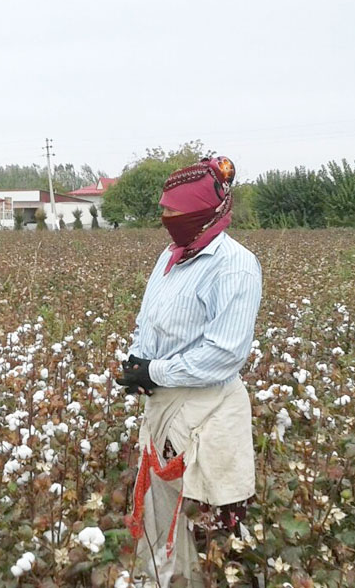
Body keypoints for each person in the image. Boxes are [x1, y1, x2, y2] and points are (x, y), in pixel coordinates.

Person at [118, 157, 262, 587]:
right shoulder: (170, 257)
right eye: (166, 212)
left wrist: (155, 371)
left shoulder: (234, 265)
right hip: (165, 410)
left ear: (211, 213)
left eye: (179, 214)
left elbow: (223, 354)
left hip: (208, 414)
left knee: (211, 529)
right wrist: (136, 364)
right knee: (163, 522)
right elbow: (148, 321)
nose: (169, 221)